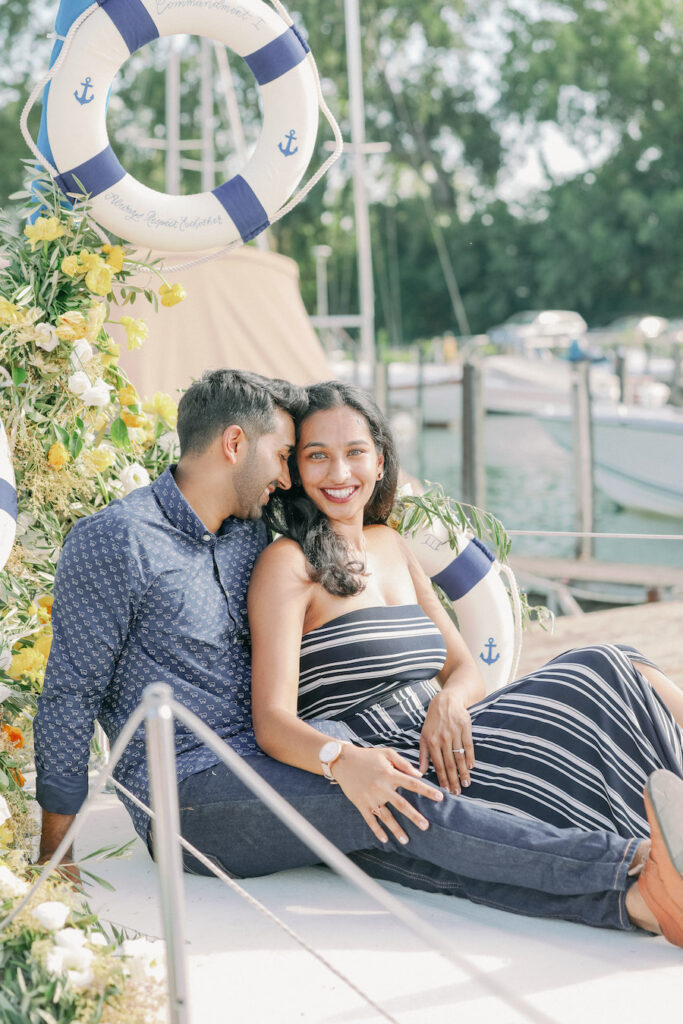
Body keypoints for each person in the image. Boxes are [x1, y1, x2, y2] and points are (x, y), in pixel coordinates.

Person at [34, 369, 682, 947]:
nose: (288, 476)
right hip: (188, 791)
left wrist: (371, 739)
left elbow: (373, 596)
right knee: (396, 799)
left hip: (285, 760)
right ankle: (630, 877)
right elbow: (69, 693)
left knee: (411, 794)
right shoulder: (116, 540)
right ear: (235, 444)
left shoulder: (244, 537)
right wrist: (55, 853)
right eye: (289, 456)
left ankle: (636, 887)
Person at [248, 378, 683, 946]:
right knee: (598, 669)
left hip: (451, 734)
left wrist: (450, 701)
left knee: (617, 665)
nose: (339, 473)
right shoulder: (287, 563)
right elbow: (272, 721)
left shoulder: (390, 545)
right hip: (389, 760)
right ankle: (655, 878)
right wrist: (344, 762)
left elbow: (464, 667)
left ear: (380, 461)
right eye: (317, 456)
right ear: (296, 472)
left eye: (354, 453)